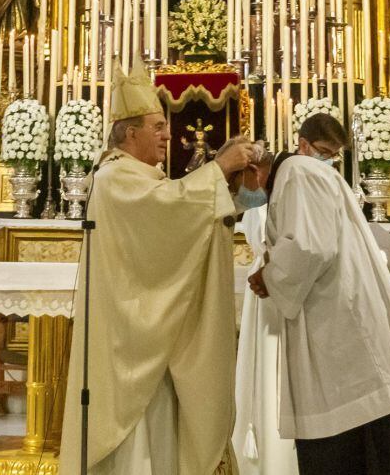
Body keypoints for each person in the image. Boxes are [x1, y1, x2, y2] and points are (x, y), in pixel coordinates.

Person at [59, 57, 255, 475]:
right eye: (157, 127)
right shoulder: (114, 178)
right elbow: (170, 212)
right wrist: (219, 169)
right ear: (130, 133)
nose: (169, 134)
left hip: (152, 328)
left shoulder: (143, 176)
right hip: (130, 336)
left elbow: (175, 215)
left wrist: (223, 175)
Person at [247, 114, 390, 475]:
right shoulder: (306, 173)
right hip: (337, 304)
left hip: (334, 313)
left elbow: (310, 246)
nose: (243, 191)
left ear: (256, 168)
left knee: (339, 430)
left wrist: (270, 276)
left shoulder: (298, 171)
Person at [232, 145, 300, 475]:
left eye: (252, 171)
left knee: (274, 369)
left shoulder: (281, 198)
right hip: (268, 282)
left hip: (277, 281)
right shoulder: (261, 201)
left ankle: (276, 453)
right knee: (264, 367)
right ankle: (259, 446)